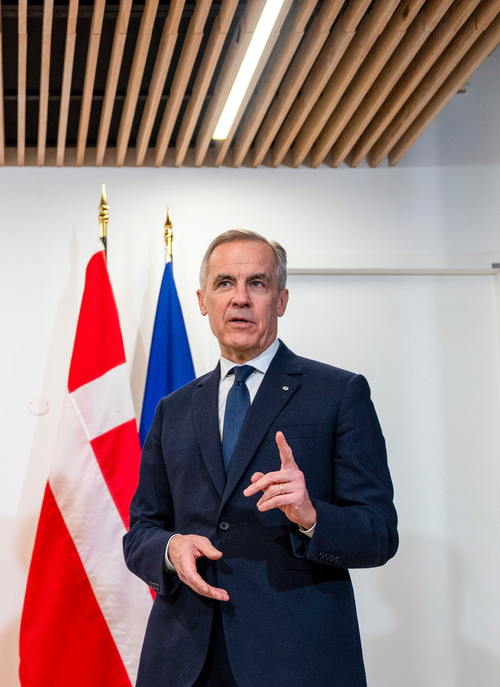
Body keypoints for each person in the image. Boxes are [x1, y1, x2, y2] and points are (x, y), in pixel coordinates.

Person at [124, 229, 398, 687]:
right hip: (184, 659)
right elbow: (141, 531)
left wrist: (311, 516)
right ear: (203, 301)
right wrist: (170, 549)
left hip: (297, 660)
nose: (240, 298)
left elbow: (379, 533)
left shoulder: (339, 393)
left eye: (257, 283)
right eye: (224, 283)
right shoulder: (173, 409)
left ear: (281, 300)